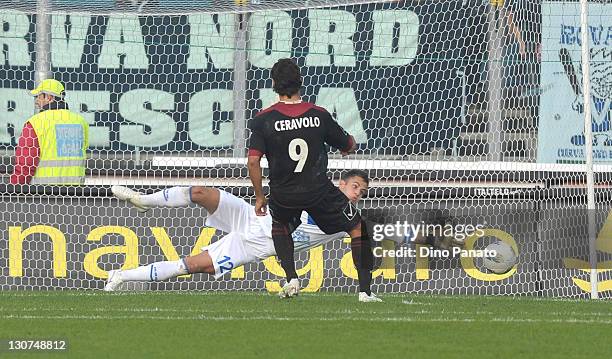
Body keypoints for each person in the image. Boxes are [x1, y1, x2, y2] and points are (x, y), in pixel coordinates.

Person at [104, 170, 382, 302]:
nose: (358, 193)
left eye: (362, 191)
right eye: (355, 186)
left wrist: (365, 291)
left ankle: (120, 276)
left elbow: (361, 249)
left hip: (255, 246)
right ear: (341, 183)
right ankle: (143, 199)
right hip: (251, 216)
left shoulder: (350, 220)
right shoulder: (318, 192)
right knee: (201, 192)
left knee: (188, 266)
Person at [247, 58, 369, 299]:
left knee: (280, 225)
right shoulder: (319, 115)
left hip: (283, 192)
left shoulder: (263, 119)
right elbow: (347, 145)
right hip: (317, 190)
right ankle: (365, 292)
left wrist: (260, 196)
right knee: (357, 227)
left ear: (273, 84)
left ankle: (292, 278)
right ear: (300, 83)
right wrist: (350, 142)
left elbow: (253, 161)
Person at [10, 79, 89, 185]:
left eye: (39, 96)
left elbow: (25, 165)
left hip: (44, 195)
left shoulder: (35, 123)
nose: (36, 101)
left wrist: (12, 190)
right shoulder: (81, 122)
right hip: (75, 194)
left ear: (49, 97)